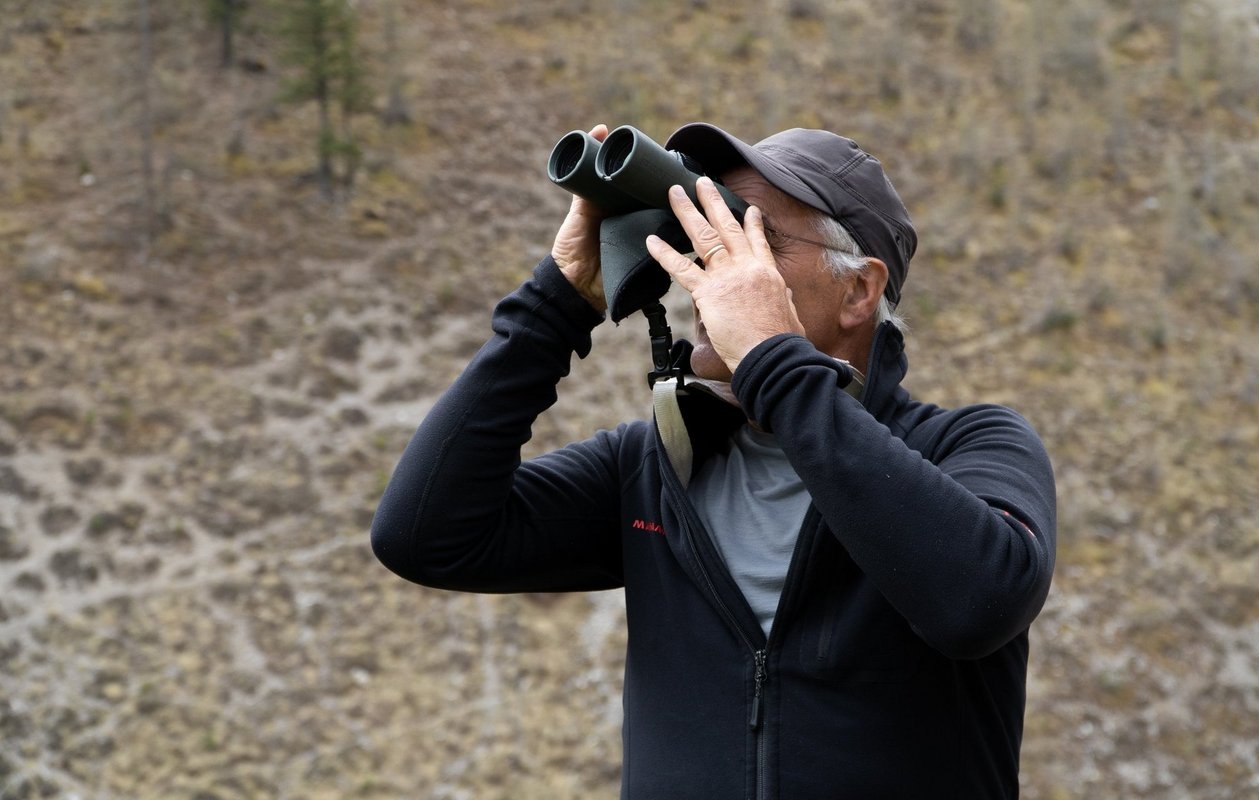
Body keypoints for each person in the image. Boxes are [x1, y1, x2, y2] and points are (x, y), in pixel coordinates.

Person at [371, 122, 1056, 799]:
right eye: (710, 231)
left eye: (753, 236)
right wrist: (559, 301)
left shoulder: (970, 448)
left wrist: (770, 358)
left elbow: (977, 605)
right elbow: (424, 536)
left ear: (858, 291)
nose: (711, 267)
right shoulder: (655, 467)